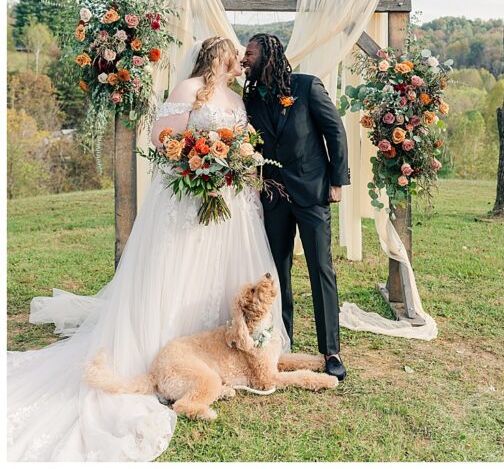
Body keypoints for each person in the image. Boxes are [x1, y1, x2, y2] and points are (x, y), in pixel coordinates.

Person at [7, 37, 285, 461]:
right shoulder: (189, 89)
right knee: (178, 267)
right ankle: (167, 352)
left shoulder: (235, 97)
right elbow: (161, 138)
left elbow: (243, 144)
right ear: (220, 58)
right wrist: (198, 156)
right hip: (190, 193)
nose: (240, 64)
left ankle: (219, 352)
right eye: (234, 57)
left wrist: (232, 163)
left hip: (229, 198)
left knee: (218, 268)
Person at [241, 33, 349, 381]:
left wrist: (336, 181)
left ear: (268, 56)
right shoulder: (250, 98)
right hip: (273, 195)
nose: (245, 59)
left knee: (321, 269)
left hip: (312, 190)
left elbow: (336, 133)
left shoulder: (306, 87)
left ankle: (330, 350)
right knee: (276, 273)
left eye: (250, 53)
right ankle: (282, 344)